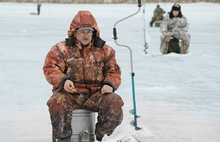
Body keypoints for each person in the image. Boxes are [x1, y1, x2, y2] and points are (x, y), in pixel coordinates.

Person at [43, 10, 124, 142]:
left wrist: (109, 84)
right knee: (57, 101)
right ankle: (63, 139)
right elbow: (50, 68)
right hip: (70, 93)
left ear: (94, 33)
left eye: (88, 32)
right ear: (74, 33)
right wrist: (63, 81)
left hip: (95, 94)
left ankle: (103, 139)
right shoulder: (60, 49)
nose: (85, 35)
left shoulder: (106, 50)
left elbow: (114, 71)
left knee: (114, 101)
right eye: (82, 32)